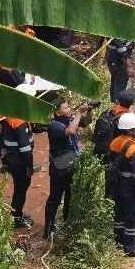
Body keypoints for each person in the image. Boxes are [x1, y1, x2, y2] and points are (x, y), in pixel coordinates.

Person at [43, 99, 93, 239]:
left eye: (69, 106)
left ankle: (66, 224)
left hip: (70, 163)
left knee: (70, 196)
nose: (69, 109)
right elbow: (70, 131)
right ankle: (48, 230)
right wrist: (78, 112)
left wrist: (89, 111)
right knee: (55, 198)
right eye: (65, 108)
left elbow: (86, 122)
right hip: (59, 167)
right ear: (57, 112)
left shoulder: (70, 119)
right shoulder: (54, 126)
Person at [106, 112, 135, 257]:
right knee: (132, 217)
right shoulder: (133, 149)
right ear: (131, 130)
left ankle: (118, 241)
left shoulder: (115, 142)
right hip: (130, 188)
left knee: (119, 214)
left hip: (117, 184)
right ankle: (129, 248)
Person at [1, 89, 35, 228]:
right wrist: (29, 166)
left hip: (11, 158)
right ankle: (16, 217)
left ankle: (16, 213)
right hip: (19, 161)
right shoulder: (19, 122)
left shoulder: (10, 115)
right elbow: (25, 149)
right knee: (21, 187)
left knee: (19, 187)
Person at [93, 87, 135, 161]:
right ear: (132, 103)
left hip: (97, 144)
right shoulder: (126, 118)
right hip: (110, 152)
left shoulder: (110, 109)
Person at [105, 37, 135, 104]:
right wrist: (128, 67)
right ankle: (115, 108)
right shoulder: (119, 30)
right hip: (118, 61)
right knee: (120, 87)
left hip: (114, 59)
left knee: (116, 82)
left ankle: (113, 104)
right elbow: (121, 49)